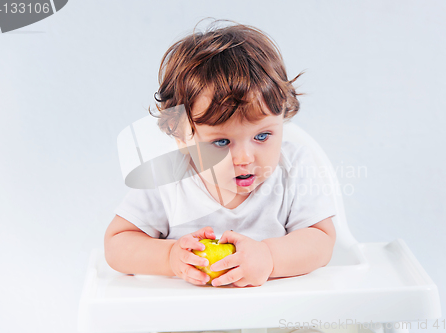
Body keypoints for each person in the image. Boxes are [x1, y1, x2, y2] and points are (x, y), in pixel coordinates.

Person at [104, 20, 337, 288]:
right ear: (181, 135)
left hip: (272, 317)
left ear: (282, 116)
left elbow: (322, 240)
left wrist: (270, 257)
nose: (245, 158)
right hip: (189, 319)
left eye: (262, 136)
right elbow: (117, 243)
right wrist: (168, 257)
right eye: (222, 142)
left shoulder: (293, 167)